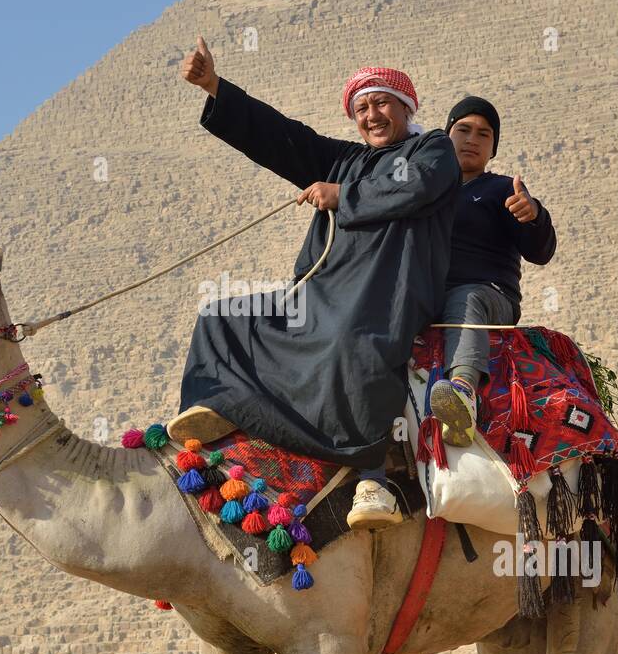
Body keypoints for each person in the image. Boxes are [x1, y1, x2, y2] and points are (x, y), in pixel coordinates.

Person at [171, 37, 460, 529]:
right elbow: (283, 137)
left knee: (351, 342)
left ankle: (371, 474)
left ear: (406, 108)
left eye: (381, 103)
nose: (371, 114)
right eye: (361, 107)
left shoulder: (432, 148)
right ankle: (216, 411)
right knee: (220, 317)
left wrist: (341, 195)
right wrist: (215, 87)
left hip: (386, 294)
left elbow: (412, 185)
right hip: (321, 290)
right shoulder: (343, 159)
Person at [429, 95, 557, 445]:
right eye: (463, 130)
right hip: (429, 294)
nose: (472, 139)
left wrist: (533, 216)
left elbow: (540, 251)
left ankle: (463, 394)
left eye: (484, 134)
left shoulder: (503, 190)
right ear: (445, 137)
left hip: (488, 295)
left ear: (493, 148)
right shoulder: (423, 190)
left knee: (466, 297)